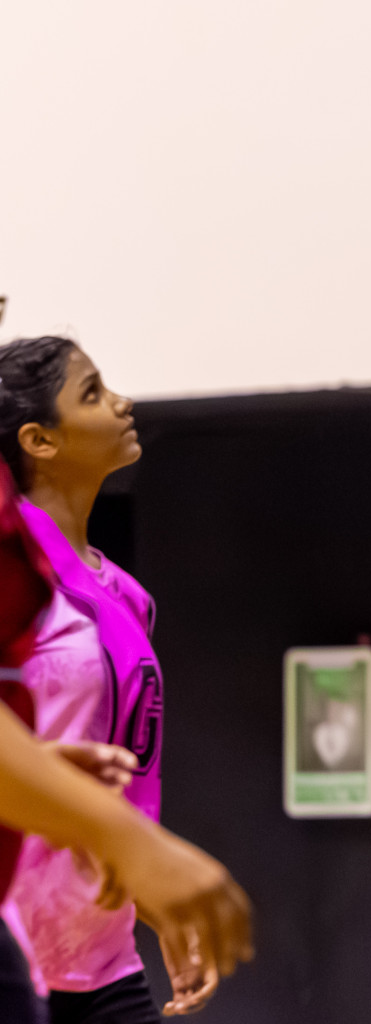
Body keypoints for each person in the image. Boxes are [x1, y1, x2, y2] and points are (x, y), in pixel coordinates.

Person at [0, 335, 217, 1021]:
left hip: (101, 962)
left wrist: (153, 891)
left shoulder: (126, 596)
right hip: (15, 949)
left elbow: (128, 777)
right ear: (39, 440)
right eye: (92, 393)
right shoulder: (14, 577)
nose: (122, 403)